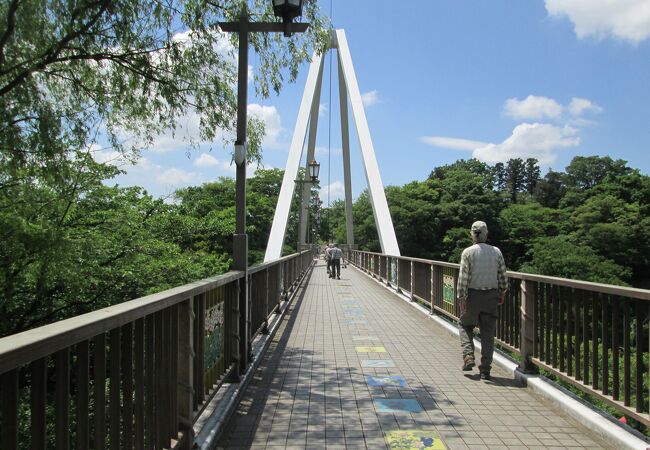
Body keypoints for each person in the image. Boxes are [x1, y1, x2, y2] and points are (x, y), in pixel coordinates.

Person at [456, 221, 507, 380]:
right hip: (491, 296)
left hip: (472, 296)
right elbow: (502, 276)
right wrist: (502, 292)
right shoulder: (496, 252)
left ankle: (468, 355)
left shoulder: (468, 253)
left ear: (472, 234)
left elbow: (463, 278)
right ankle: (485, 370)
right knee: (487, 333)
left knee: (465, 325)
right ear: (486, 234)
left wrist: (461, 297)